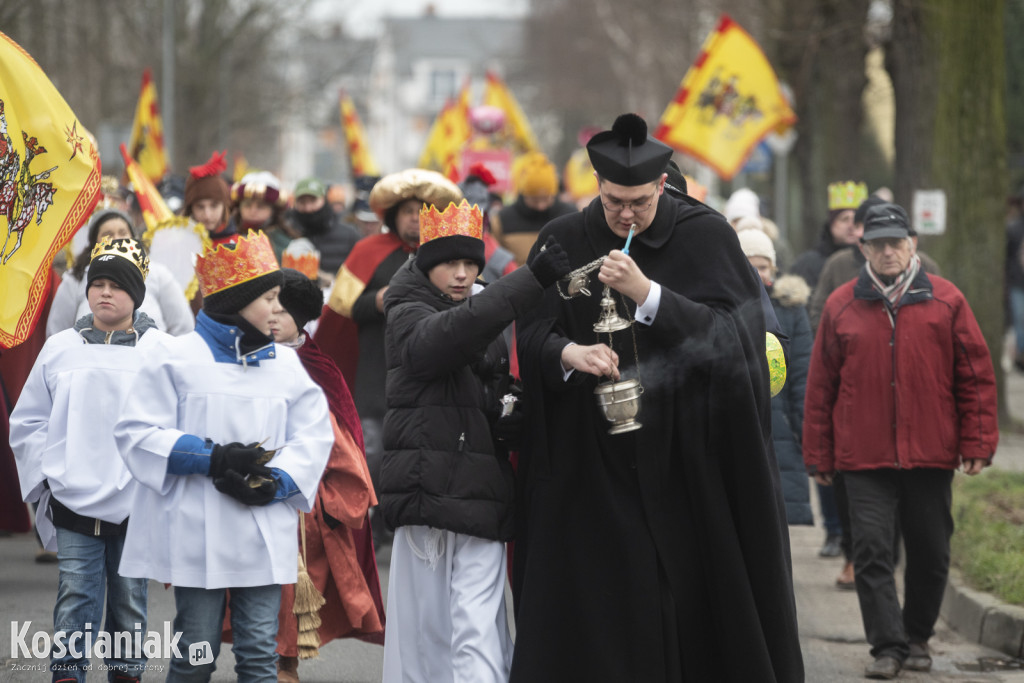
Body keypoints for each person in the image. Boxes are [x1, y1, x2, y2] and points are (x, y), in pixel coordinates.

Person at [512, 113, 803, 681]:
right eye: (615, 201)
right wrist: (567, 355)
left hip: (688, 457)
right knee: (600, 609)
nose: (625, 214)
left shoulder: (706, 234)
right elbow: (527, 331)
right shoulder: (564, 239)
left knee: (683, 603)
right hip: (589, 460)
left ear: (662, 186)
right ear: (598, 186)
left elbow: (736, 340)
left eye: (640, 202)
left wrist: (650, 295)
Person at [113, 231, 334, 681]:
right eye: (269, 298)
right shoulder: (176, 357)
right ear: (237, 300)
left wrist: (277, 484)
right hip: (198, 529)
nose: (278, 309)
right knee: (195, 654)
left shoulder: (286, 366)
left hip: (262, 528)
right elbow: (136, 432)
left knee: (258, 656)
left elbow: (314, 436)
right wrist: (210, 458)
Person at [803, 203, 997, 679]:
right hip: (862, 457)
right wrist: (819, 455)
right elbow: (821, 386)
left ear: (913, 245)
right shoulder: (842, 304)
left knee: (931, 552)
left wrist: (977, 443)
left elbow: (975, 377)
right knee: (871, 551)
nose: (888, 252)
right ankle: (886, 646)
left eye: (896, 242)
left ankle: (917, 637)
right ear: (863, 247)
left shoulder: (947, 301)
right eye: (878, 243)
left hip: (930, 453)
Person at [379, 199, 570, 682]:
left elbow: (485, 384)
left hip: (481, 490)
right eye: (450, 263)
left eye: (471, 262)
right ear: (426, 266)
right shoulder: (406, 308)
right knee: (426, 638)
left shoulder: (482, 305)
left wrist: (511, 411)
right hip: (426, 494)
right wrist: (528, 279)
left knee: (478, 628)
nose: (462, 275)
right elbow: (441, 342)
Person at [11, 237, 164, 682]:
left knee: (129, 598)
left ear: (135, 293)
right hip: (73, 497)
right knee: (75, 592)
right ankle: (67, 674)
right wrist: (46, 480)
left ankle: (126, 673)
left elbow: (176, 423)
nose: (104, 292)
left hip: (136, 501)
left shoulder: (159, 352)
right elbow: (29, 420)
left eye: (116, 285)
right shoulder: (60, 348)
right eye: (96, 283)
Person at [314, 169, 462, 507]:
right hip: (373, 367)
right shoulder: (367, 250)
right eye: (408, 211)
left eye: (420, 211)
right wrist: (378, 301)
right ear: (394, 216)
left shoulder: (445, 253)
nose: (414, 218)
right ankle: (373, 517)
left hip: (426, 364)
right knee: (373, 448)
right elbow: (343, 306)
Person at [266, 268, 384, 682]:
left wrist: (337, 492)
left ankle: (286, 660)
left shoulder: (318, 367)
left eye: (283, 310)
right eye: (268, 308)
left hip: (306, 499)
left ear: (300, 317)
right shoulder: (245, 360)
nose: (272, 317)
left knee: (297, 582)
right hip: (253, 486)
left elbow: (342, 435)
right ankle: (254, 653)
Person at [739, 229, 813, 526]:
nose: (757, 274)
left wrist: (804, 430)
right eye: (749, 265)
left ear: (773, 268)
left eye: (763, 266)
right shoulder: (720, 306)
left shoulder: (791, 311)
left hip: (779, 427)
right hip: (741, 421)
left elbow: (801, 375)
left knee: (776, 518)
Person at [46, 209, 194, 337]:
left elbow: (183, 328)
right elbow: (57, 332)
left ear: (133, 238)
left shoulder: (158, 274)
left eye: (123, 233)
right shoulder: (76, 278)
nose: (117, 240)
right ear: (94, 243)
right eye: (108, 234)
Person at [491, 151, 576, 265]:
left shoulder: (571, 216)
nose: (541, 206)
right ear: (524, 194)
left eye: (546, 199)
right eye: (534, 200)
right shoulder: (502, 220)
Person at [791, 181, 869, 290]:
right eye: (844, 219)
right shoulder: (807, 264)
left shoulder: (872, 263)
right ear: (831, 224)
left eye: (857, 221)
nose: (851, 226)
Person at [286, 177, 361, 274]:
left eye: (313, 201)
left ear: (324, 200)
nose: (308, 208)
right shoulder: (286, 232)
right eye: (302, 202)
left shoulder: (349, 235)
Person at [229, 171, 296, 262]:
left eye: (261, 206)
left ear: (273, 211)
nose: (253, 211)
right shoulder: (227, 236)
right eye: (247, 205)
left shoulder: (285, 243)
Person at [184, 151, 236, 247]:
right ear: (190, 209)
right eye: (200, 207)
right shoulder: (180, 245)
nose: (207, 215)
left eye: (214, 206)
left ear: (225, 206)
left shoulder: (241, 245)